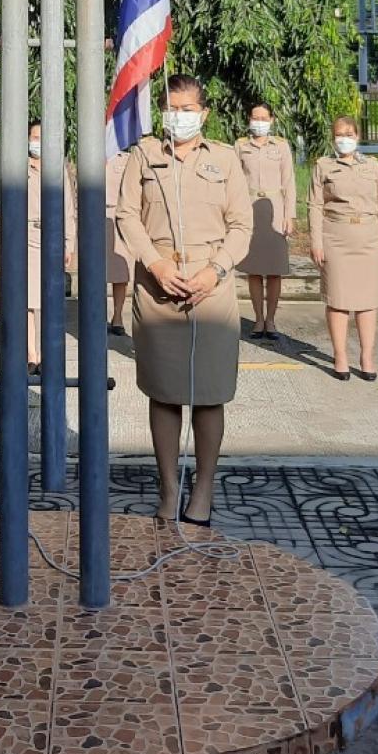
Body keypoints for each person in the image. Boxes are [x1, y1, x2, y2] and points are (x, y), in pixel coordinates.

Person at [116, 74, 251, 526]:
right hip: (159, 287)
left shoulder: (227, 160)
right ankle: (169, 485)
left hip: (211, 288)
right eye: (172, 108)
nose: (180, 116)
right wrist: (155, 265)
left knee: (209, 395)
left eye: (188, 109)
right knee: (166, 392)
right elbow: (127, 216)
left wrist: (214, 272)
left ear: (204, 113)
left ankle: (205, 487)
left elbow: (241, 227)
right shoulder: (144, 155)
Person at [308, 115, 378, 382]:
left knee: (368, 301)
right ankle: (340, 356)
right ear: (332, 138)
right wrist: (316, 242)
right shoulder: (324, 166)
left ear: (357, 136)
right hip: (336, 238)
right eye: (338, 134)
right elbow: (314, 206)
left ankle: (367, 356)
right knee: (338, 300)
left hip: (368, 238)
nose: (343, 139)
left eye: (348, 134)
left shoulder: (372, 166)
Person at [236, 103, 296, 339]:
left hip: (275, 211)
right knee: (254, 269)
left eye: (264, 118)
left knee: (273, 271)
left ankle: (271, 320)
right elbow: (235, 180)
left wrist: (290, 215)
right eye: (255, 117)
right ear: (249, 119)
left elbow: (289, 182)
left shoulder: (280, 146)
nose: (259, 122)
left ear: (272, 120)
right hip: (249, 209)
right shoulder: (240, 146)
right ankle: (258, 319)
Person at [27, 122, 76, 374]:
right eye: (33, 137)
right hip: (25, 239)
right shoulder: (18, 169)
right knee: (26, 301)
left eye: (41, 137)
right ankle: (31, 354)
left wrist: (69, 243)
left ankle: (47, 353)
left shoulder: (58, 171)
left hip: (52, 238)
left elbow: (68, 210)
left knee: (47, 300)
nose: (37, 141)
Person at [106, 148, 132, 335]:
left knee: (120, 273)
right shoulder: (87, 154)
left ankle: (118, 317)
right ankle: (95, 316)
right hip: (95, 215)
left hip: (119, 216)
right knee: (96, 271)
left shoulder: (127, 158)